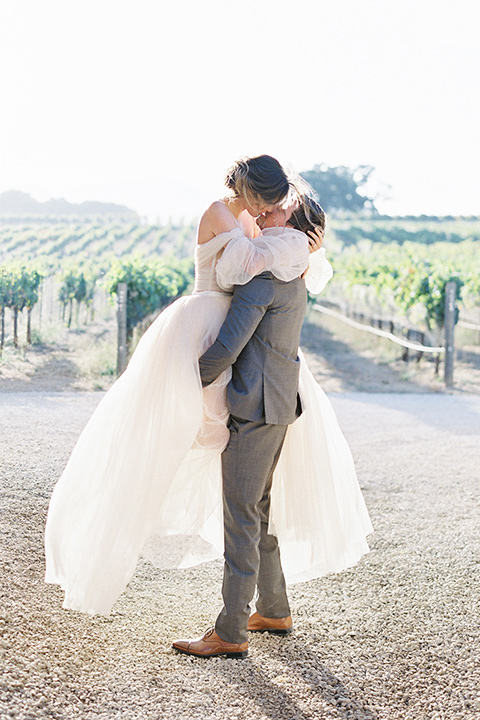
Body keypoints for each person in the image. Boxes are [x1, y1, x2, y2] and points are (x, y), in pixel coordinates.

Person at [44, 155, 329, 615]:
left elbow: (269, 267)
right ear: (250, 190)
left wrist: (300, 247)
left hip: (236, 347)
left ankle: (252, 615)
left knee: (247, 498)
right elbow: (247, 267)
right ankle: (261, 608)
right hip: (205, 331)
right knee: (185, 466)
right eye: (265, 202)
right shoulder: (220, 213)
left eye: (274, 206)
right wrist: (298, 246)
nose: (265, 213)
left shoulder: (254, 225)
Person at [171, 194, 372, 659]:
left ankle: (231, 632)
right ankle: (275, 609)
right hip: (280, 404)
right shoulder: (294, 276)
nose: (267, 210)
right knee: (256, 508)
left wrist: (181, 381)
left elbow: (228, 346)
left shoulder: (264, 279)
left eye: (280, 209)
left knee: (241, 515)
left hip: (254, 408)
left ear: (291, 225)